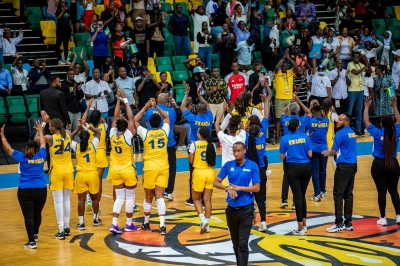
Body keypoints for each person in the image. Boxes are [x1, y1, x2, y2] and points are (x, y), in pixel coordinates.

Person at [1, 121, 47, 248]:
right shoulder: (42, 155)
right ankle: (36, 235)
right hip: (41, 189)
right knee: (37, 214)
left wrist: (2, 136)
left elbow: (8, 149)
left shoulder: (22, 157)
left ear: (26, 149)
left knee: (29, 216)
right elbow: (43, 143)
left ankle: (31, 242)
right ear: (36, 149)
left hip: (25, 190)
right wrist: (41, 131)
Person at [214, 142, 260, 266]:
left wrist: (239, 188)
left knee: (243, 244)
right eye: (234, 151)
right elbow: (216, 182)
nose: (236, 153)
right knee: (235, 243)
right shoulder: (228, 165)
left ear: (244, 150)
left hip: (247, 209)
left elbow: (256, 188)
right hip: (231, 210)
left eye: (238, 150)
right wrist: (227, 188)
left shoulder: (252, 165)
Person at [35, 113, 74, 240]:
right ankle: (67, 227)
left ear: (52, 128)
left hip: (57, 172)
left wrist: (44, 123)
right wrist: (49, 122)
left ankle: (61, 230)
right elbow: (63, 130)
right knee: (67, 200)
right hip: (69, 171)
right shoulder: (67, 134)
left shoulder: (50, 138)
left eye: (50, 126)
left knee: (58, 202)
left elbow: (36, 137)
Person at [135, 98, 170, 234]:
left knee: (148, 197)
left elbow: (134, 121)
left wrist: (146, 106)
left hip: (150, 167)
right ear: (160, 123)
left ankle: (146, 222)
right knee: (160, 196)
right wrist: (156, 107)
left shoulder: (146, 133)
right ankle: (162, 225)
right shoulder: (164, 131)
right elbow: (166, 117)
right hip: (163, 167)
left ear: (148, 123)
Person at [364, 97, 400, 225]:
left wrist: (367, 107)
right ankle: (398, 215)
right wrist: (394, 106)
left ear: (381, 124)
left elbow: (366, 122)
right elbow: (399, 120)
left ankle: (383, 218)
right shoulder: (396, 133)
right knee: (394, 190)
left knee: (381, 192)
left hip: (379, 165)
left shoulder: (377, 132)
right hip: (393, 164)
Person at [108, 90, 140, 234]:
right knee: (130, 197)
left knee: (119, 198)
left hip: (115, 170)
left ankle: (114, 224)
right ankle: (128, 224)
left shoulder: (112, 135)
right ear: (126, 127)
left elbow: (115, 117)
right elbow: (131, 117)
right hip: (127, 170)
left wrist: (118, 101)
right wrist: (126, 100)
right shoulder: (128, 136)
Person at [181, 83, 213, 206]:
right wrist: (200, 95)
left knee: (194, 174)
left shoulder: (193, 118)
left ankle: (192, 198)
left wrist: (186, 92)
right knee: (207, 173)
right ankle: (205, 200)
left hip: (195, 148)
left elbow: (183, 106)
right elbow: (208, 106)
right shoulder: (209, 117)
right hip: (208, 146)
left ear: (196, 110)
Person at [280, 118, 312, 235]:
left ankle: (300, 227)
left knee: (297, 197)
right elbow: (310, 154)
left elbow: (282, 157)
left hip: (293, 168)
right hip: (306, 167)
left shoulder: (284, 139)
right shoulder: (305, 137)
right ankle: (304, 224)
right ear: (298, 127)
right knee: (302, 196)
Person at [326, 113, 357, 232]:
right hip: (353, 165)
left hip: (343, 166)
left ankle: (338, 223)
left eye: (340, 119)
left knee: (338, 194)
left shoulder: (339, 134)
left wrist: (327, 153)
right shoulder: (352, 132)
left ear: (346, 122)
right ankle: (348, 223)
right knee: (348, 194)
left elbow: (334, 151)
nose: (337, 121)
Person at [245, 90, 271, 232]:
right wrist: (265, 102)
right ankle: (264, 223)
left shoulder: (247, 139)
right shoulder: (261, 136)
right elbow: (266, 116)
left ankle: (249, 222)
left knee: (249, 199)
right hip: (261, 170)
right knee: (261, 199)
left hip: (249, 171)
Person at [280, 97, 312, 209]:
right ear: (298, 111)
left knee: (287, 176)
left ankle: (284, 200)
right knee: (297, 180)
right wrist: (299, 102)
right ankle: (295, 202)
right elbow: (309, 113)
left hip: (288, 151)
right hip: (300, 151)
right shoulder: (302, 120)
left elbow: (282, 112)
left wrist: (289, 104)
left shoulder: (285, 119)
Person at [69, 120, 102, 229]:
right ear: (88, 138)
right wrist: (87, 125)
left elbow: (68, 138)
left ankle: (81, 223)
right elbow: (98, 133)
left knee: (81, 200)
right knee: (95, 199)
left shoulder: (77, 146)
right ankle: (96, 219)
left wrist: (78, 128)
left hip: (81, 175)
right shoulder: (93, 144)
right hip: (92, 174)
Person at [144, 93, 177, 201]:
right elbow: (172, 121)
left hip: (152, 143)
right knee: (171, 167)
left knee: (152, 166)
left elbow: (145, 122)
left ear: (157, 100)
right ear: (166, 101)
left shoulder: (149, 111)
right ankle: (168, 191)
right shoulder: (171, 111)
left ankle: (153, 190)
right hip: (169, 142)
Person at [81, 99, 109, 210]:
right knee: (99, 182)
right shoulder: (103, 127)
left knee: (90, 179)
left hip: (91, 154)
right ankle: (97, 205)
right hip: (101, 154)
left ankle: (89, 198)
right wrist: (97, 113)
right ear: (99, 118)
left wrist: (88, 108)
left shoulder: (88, 128)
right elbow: (103, 121)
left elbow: (82, 120)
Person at [189, 126, 216, 234]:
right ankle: (207, 224)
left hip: (199, 173)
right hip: (210, 173)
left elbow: (191, 161)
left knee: (196, 199)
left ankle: (202, 219)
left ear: (200, 135)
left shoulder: (194, 144)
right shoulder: (212, 145)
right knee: (207, 200)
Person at [274, 49, 299, 143]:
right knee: (278, 119)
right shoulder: (278, 73)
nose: (284, 67)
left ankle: (289, 135)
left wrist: (288, 58)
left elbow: (296, 67)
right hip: (279, 98)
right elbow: (276, 67)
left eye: (285, 65)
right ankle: (276, 137)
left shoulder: (290, 72)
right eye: (282, 66)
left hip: (289, 99)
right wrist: (283, 58)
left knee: (289, 119)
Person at [308, 104, 329, 202]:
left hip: (314, 150)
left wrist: (311, 106)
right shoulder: (326, 121)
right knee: (323, 170)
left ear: (313, 112)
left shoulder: (311, 122)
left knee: (315, 172)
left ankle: (317, 193)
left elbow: (308, 115)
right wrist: (322, 111)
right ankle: (323, 190)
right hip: (324, 149)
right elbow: (324, 116)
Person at [347, 52, 372, 135]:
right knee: (350, 110)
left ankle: (358, 129)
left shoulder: (361, 64)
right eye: (355, 57)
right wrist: (364, 66)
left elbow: (369, 70)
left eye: (358, 57)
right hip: (352, 90)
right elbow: (356, 72)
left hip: (361, 90)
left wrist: (365, 59)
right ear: (353, 58)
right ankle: (347, 128)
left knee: (359, 110)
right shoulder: (350, 64)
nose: (356, 59)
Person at [61, 70, 84, 140]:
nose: (72, 75)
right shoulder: (63, 84)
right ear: (67, 74)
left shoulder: (76, 83)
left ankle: (77, 147)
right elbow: (64, 98)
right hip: (68, 110)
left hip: (77, 110)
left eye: (73, 74)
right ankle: (68, 146)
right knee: (69, 129)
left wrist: (79, 89)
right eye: (70, 74)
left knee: (78, 130)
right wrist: (73, 91)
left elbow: (81, 96)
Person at [55, 0, 72, 65]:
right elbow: (58, 18)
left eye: (64, 2)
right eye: (62, 2)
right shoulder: (58, 10)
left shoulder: (68, 10)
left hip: (67, 30)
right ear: (60, 3)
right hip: (60, 30)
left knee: (66, 45)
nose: (63, 3)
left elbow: (69, 20)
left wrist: (71, 31)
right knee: (58, 45)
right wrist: (63, 10)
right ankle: (59, 58)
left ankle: (66, 59)